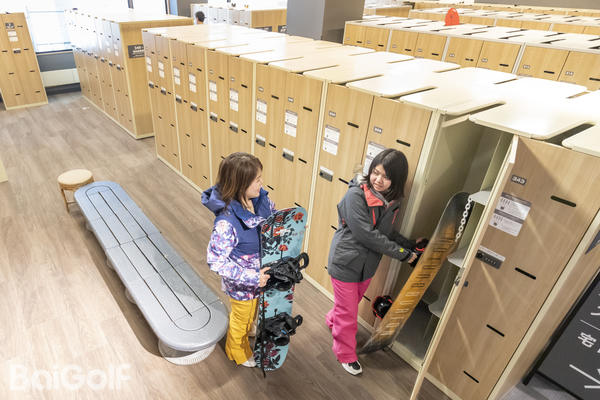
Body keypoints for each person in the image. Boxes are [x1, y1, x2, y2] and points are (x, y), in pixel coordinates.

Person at [326, 148, 418, 376]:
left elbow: (386, 233)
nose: (378, 179)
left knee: (349, 305)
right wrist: (404, 254)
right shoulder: (355, 196)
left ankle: (332, 320)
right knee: (349, 314)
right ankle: (345, 354)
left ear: (396, 180)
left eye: (386, 176)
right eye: (376, 172)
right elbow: (366, 235)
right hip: (345, 262)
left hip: (366, 267)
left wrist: (408, 244)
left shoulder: (390, 201)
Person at [202, 152, 275, 367]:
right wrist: (252, 277)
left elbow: (273, 215)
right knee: (241, 318)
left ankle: (247, 331)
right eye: (257, 179)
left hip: (259, 279)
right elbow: (215, 261)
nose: (261, 182)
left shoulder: (258, 199)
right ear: (241, 184)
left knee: (252, 313)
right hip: (242, 284)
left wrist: (290, 224)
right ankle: (237, 352)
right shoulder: (226, 223)